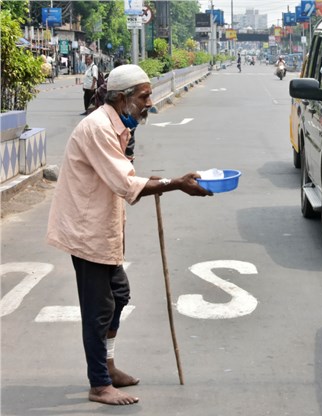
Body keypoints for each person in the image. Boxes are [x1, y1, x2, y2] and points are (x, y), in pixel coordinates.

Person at [46, 64, 212, 406]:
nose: (149, 102)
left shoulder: (117, 125)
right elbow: (125, 183)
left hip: (101, 226)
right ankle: (99, 384)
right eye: (144, 96)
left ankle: (108, 366)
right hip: (85, 229)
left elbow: (122, 175)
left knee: (118, 296)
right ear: (122, 99)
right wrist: (175, 184)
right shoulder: (98, 129)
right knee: (99, 308)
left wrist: (161, 183)